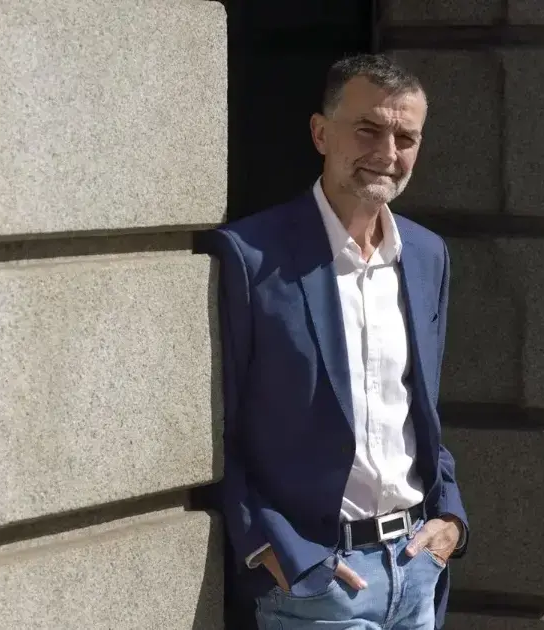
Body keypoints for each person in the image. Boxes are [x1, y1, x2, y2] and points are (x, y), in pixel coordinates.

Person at [202, 54, 468, 630]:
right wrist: (276, 552)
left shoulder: (426, 255)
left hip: (417, 568)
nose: (387, 153)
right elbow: (221, 430)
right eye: (368, 129)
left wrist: (450, 517)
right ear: (322, 133)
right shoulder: (251, 257)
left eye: (406, 136)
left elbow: (420, 411)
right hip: (318, 585)